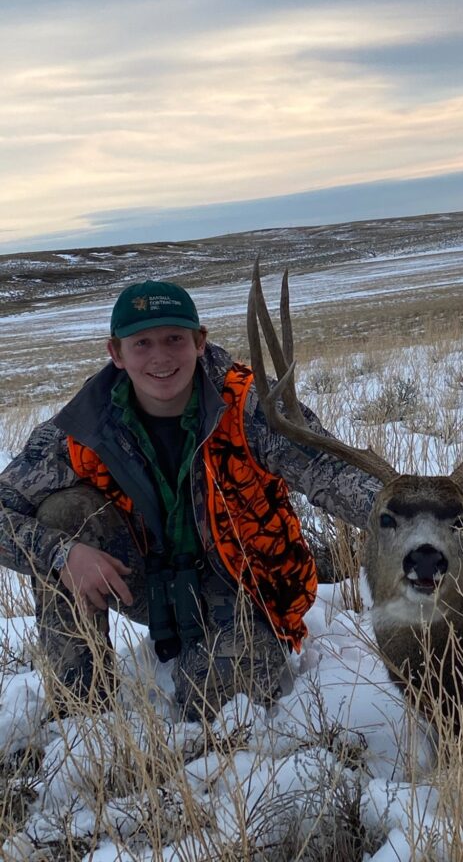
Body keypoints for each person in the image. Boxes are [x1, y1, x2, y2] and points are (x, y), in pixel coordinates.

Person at [0, 280, 381, 720]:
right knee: (64, 515)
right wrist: (62, 555)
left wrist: (421, 517)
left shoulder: (249, 405)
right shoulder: (85, 424)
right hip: (142, 582)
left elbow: (333, 472)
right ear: (116, 353)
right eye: (142, 343)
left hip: (243, 587)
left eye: (174, 339)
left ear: (200, 342)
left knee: (219, 714)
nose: (160, 357)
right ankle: (83, 711)